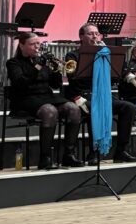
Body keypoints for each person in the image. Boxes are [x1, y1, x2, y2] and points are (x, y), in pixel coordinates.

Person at [5, 33, 84, 169]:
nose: (37, 47)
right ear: (22, 46)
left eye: (38, 43)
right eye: (32, 44)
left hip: (46, 97)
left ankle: (69, 155)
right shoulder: (13, 63)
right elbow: (21, 83)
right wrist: (38, 66)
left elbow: (55, 85)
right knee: (49, 111)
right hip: (25, 98)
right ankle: (45, 158)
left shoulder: (43, 61)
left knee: (73, 108)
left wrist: (56, 70)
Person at [64, 23, 136, 163]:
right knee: (95, 108)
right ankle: (94, 152)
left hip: (103, 94)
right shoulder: (73, 55)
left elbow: (117, 75)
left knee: (129, 107)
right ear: (81, 37)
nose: (94, 37)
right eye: (90, 34)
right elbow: (72, 78)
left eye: (96, 34)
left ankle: (121, 151)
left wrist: (107, 55)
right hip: (83, 95)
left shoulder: (105, 54)